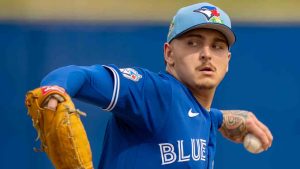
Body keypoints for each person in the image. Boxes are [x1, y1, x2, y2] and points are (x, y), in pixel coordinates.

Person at [31, 2, 273, 169]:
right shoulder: (152, 91)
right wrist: (54, 91)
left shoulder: (203, 117)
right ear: (169, 54)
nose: (206, 54)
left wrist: (222, 119)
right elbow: (78, 75)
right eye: (193, 43)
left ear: (227, 61)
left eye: (217, 46)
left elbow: (197, 117)